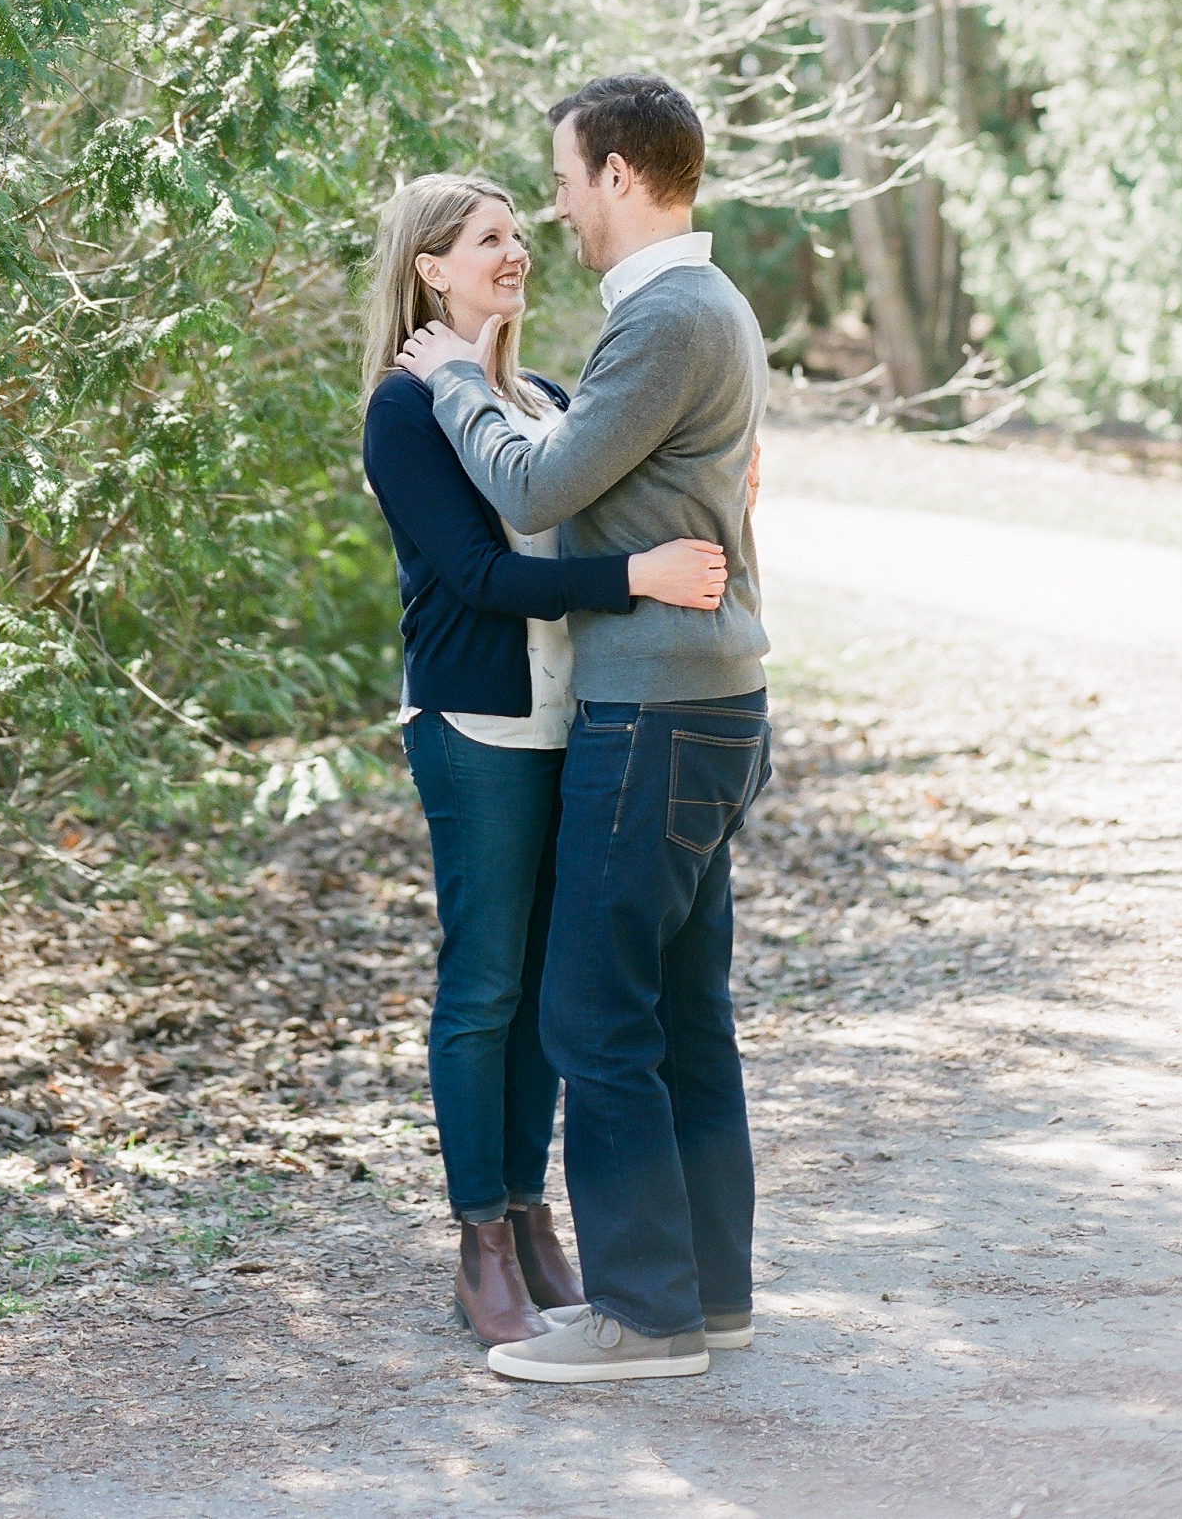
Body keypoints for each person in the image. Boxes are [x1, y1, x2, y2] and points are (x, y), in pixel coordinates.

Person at [396, 76, 770, 1387]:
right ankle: (704, 1299)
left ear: (617, 176)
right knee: (679, 1013)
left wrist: (454, 380)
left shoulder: (664, 318)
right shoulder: (701, 311)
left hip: (660, 711)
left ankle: (646, 1320)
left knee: (596, 1016)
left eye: (560, 180)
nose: (551, 211)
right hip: (693, 703)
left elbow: (542, 485)